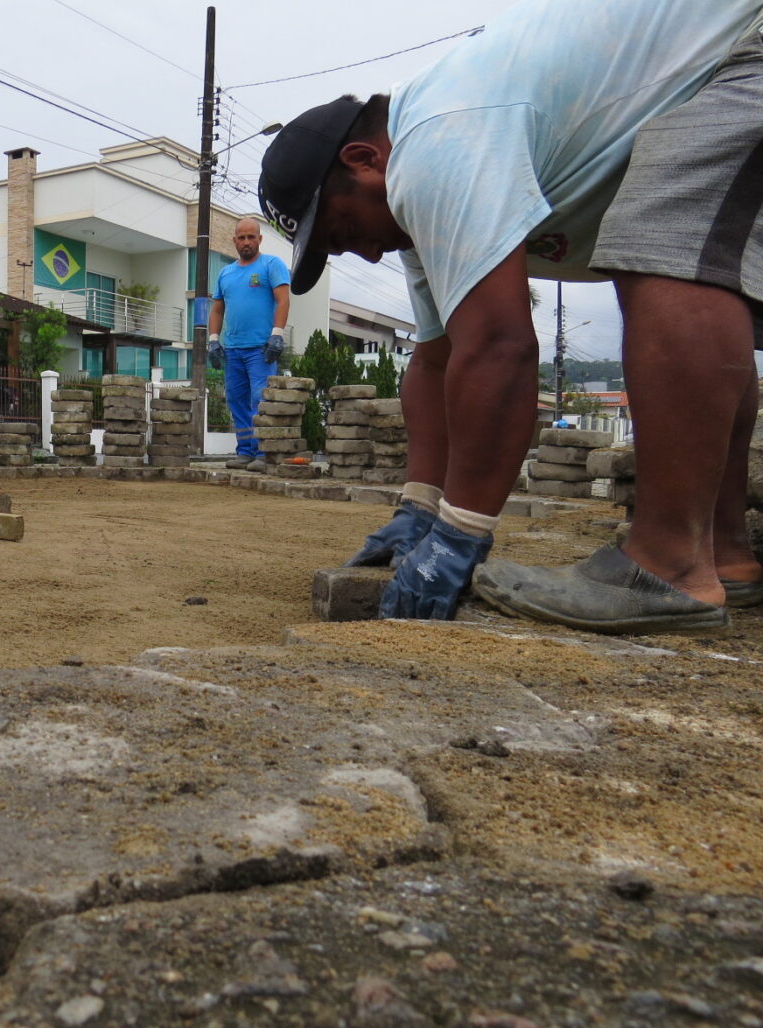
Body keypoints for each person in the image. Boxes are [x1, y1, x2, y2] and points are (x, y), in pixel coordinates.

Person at [259, 0, 763, 633]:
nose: (362, 251)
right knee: (687, 259)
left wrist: (461, 531)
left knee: (664, 245)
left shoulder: (435, 144)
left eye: (341, 228)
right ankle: (726, 555)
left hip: (744, 45)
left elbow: (499, 349)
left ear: (365, 160)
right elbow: (441, 355)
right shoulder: (418, 203)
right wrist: (421, 505)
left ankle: (669, 566)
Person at [206, 217, 291, 469]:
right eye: (241, 237)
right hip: (232, 349)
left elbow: (283, 300)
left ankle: (264, 454)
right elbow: (217, 310)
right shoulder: (226, 273)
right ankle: (245, 451)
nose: (246, 242)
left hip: (261, 349)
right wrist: (213, 340)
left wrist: (277, 334)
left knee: (260, 399)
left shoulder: (271, 265)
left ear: (259, 239)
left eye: (251, 237)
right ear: (234, 241)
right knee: (235, 398)